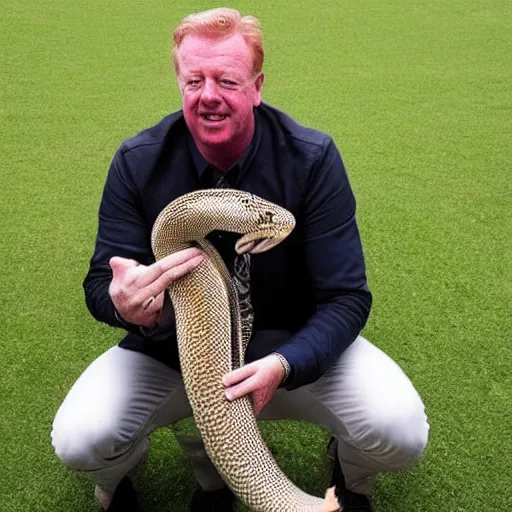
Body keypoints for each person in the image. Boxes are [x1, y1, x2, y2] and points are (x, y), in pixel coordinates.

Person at [51, 7, 429, 512]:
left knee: (398, 429)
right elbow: (102, 283)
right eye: (194, 80)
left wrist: (284, 363)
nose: (208, 95)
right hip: (174, 352)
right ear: (180, 82)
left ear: (256, 86)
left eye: (227, 80)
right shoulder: (138, 160)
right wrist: (125, 304)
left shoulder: (311, 158)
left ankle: (349, 472)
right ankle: (136, 475)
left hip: (286, 344)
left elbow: (347, 298)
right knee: (81, 437)